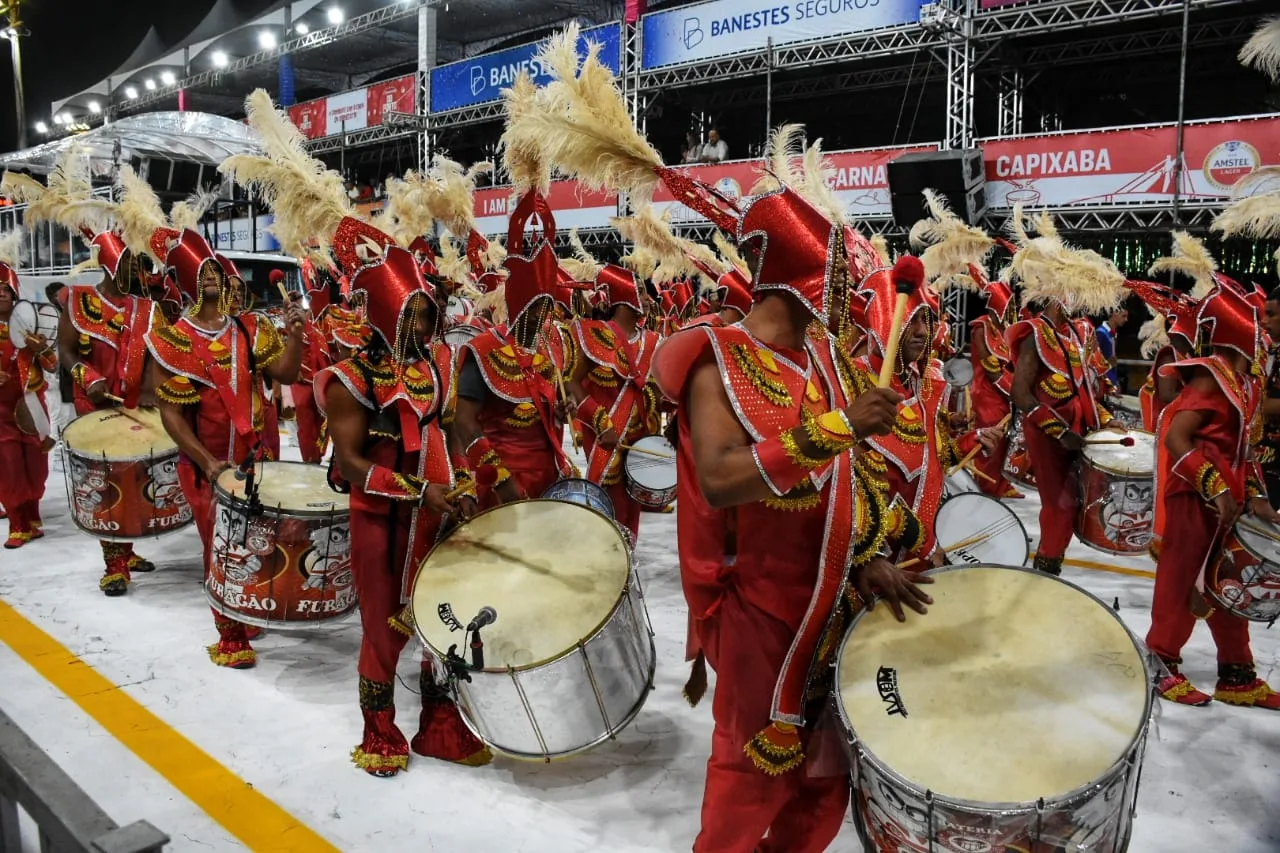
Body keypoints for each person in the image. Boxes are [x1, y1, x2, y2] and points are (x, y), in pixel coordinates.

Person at [318, 235, 491, 776]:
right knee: (384, 627)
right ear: (387, 313)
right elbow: (348, 463)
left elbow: (446, 432)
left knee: (446, 615)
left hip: (438, 512)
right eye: (409, 316)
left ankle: (439, 725)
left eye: (425, 315)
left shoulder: (439, 362)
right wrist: (419, 492)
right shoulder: (350, 380)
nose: (420, 328)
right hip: (380, 519)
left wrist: (464, 483)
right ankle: (380, 730)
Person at [147, 228, 305, 668]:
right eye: (203, 272)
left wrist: (295, 335)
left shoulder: (249, 328)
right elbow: (172, 415)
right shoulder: (172, 339)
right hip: (206, 465)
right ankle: (230, 634)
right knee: (219, 545)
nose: (213, 277)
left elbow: (288, 375)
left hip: (256, 461)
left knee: (257, 539)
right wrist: (209, 463)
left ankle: (247, 605)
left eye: (216, 270)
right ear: (185, 279)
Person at [1147, 282, 1280, 710]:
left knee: (1230, 582)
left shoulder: (1245, 382)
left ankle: (1237, 676)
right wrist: (1214, 485)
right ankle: (1161, 662)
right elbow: (1177, 438)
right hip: (1193, 496)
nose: (1268, 334)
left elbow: (1244, 450)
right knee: (1180, 579)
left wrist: (1256, 494)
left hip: (1228, 499)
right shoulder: (1210, 375)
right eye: (1262, 324)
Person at [1006, 209, 1128, 576]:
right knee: (1058, 505)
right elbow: (1020, 394)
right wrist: (1058, 431)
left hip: (1081, 432)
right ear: (1055, 291)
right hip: (1049, 435)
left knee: (1077, 502)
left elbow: (1091, 388)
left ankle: (1051, 560)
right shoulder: (1035, 334)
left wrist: (1107, 422)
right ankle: (1045, 569)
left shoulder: (1081, 333)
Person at [55, 223, 165, 595]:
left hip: (135, 405)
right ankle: (114, 564)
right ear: (107, 262)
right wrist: (87, 377)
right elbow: (66, 351)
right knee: (106, 482)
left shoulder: (146, 307)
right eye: (127, 261)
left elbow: (155, 354)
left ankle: (126, 544)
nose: (133, 269)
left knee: (134, 478)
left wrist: (150, 387)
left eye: (136, 262)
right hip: (95, 403)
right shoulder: (78, 299)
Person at [564, 262, 662, 542]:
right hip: (605, 437)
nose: (647, 300)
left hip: (640, 441)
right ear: (625, 296)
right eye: (641, 292)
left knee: (631, 512)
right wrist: (599, 420)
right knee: (606, 508)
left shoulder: (653, 341)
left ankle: (626, 571)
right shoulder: (593, 334)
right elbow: (572, 382)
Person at [0, 241, 58, 548]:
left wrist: (41, 350)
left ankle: (33, 516)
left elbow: (52, 365)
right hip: (0, 413)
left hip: (32, 407)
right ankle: (17, 523)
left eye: (5, 290)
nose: (0, 294)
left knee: (37, 466)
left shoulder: (31, 326)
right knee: (8, 468)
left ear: (14, 294)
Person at [1094, 306, 1128, 390]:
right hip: (1103, 382)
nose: (1126, 319)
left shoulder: (1112, 333)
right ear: (1114, 314)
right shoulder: (1100, 332)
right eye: (1123, 316)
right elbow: (1093, 360)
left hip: (1110, 378)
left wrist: (1115, 381)